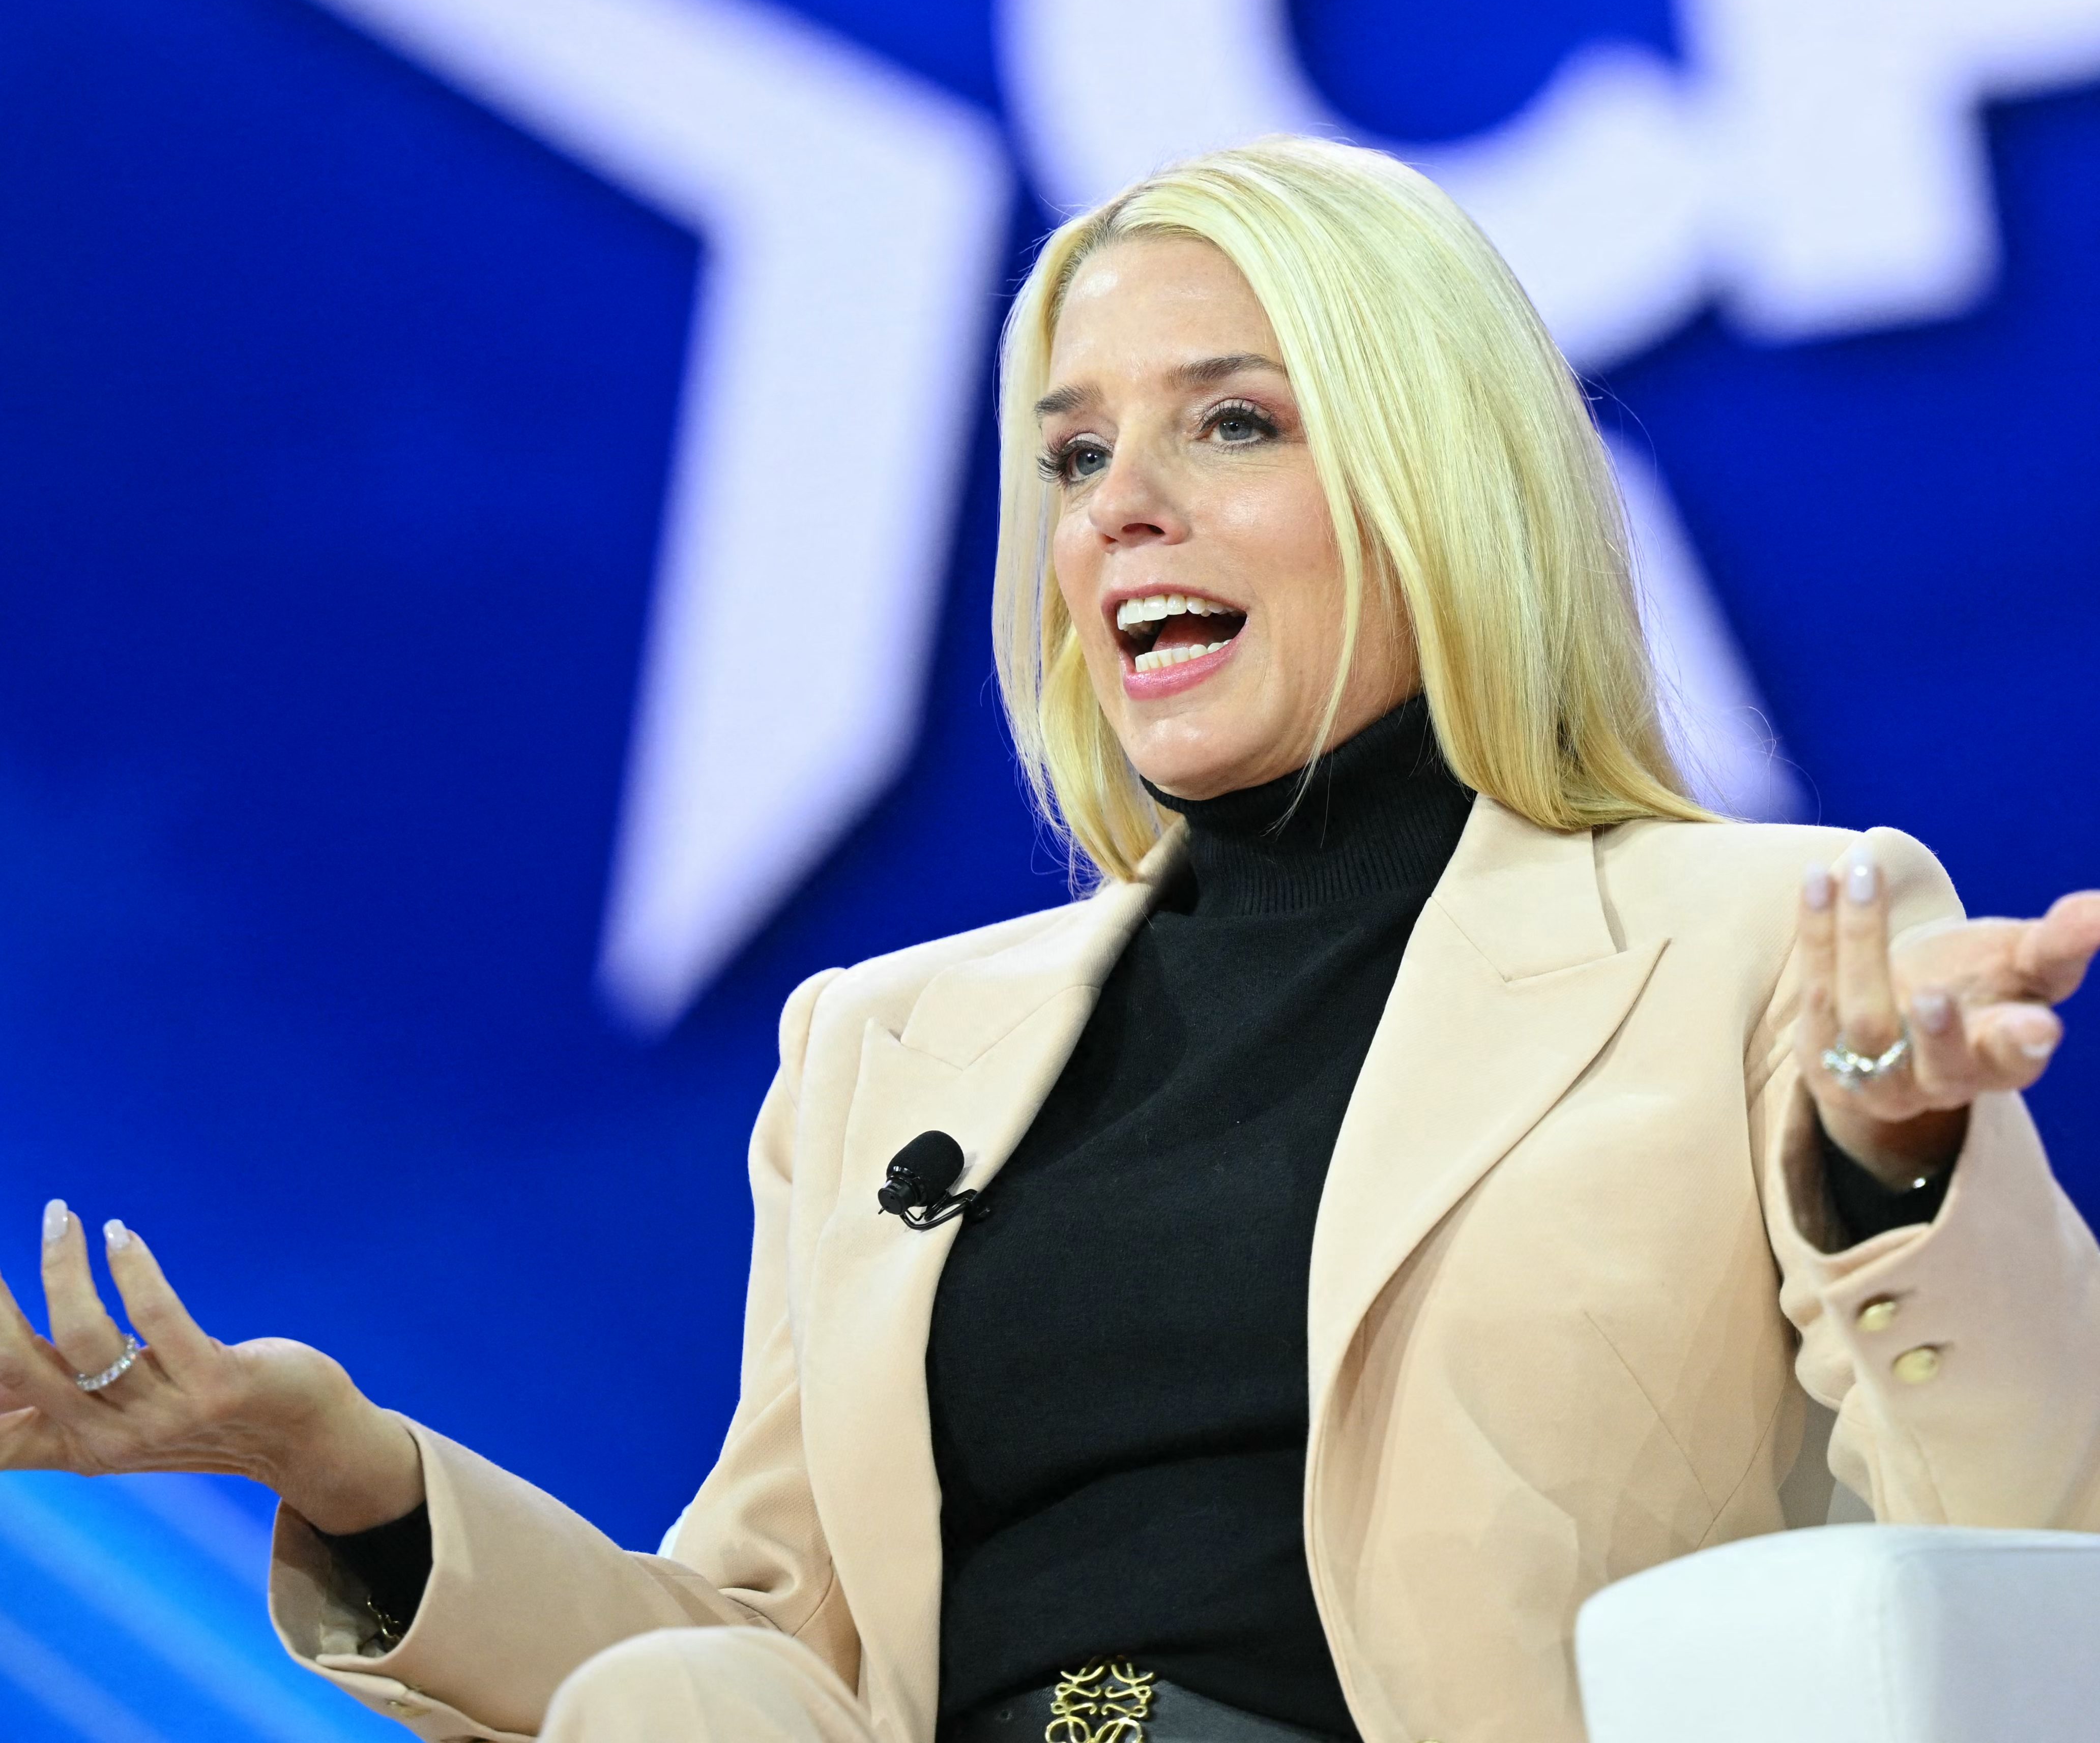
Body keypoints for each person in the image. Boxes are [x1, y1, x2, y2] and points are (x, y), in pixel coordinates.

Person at [3, 136, 2097, 1743]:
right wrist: (340, 1466)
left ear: (1441, 477)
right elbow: (758, 1653)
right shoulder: (883, 1045)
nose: (1116, 508)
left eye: (1233, 422)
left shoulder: (1760, 940)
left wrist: (1894, 1170)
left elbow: (2028, 1536)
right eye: (1075, 451)